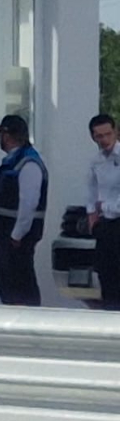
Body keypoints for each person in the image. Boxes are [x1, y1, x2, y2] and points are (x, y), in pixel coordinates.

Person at [0, 114, 49, 306]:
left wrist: (17, 234)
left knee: (19, 283)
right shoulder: (16, 161)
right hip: (7, 234)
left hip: (16, 237)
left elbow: (29, 203)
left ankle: (26, 323)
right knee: (8, 282)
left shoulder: (28, 163)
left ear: (6, 136)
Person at [85, 112, 120, 310]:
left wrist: (104, 207)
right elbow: (91, 188)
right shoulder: (96, 161)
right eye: (99, 136)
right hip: (105, 225)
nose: (104, 140)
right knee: (106, 276)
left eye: (108, 134)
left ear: (115, 132)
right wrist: (92, 213)